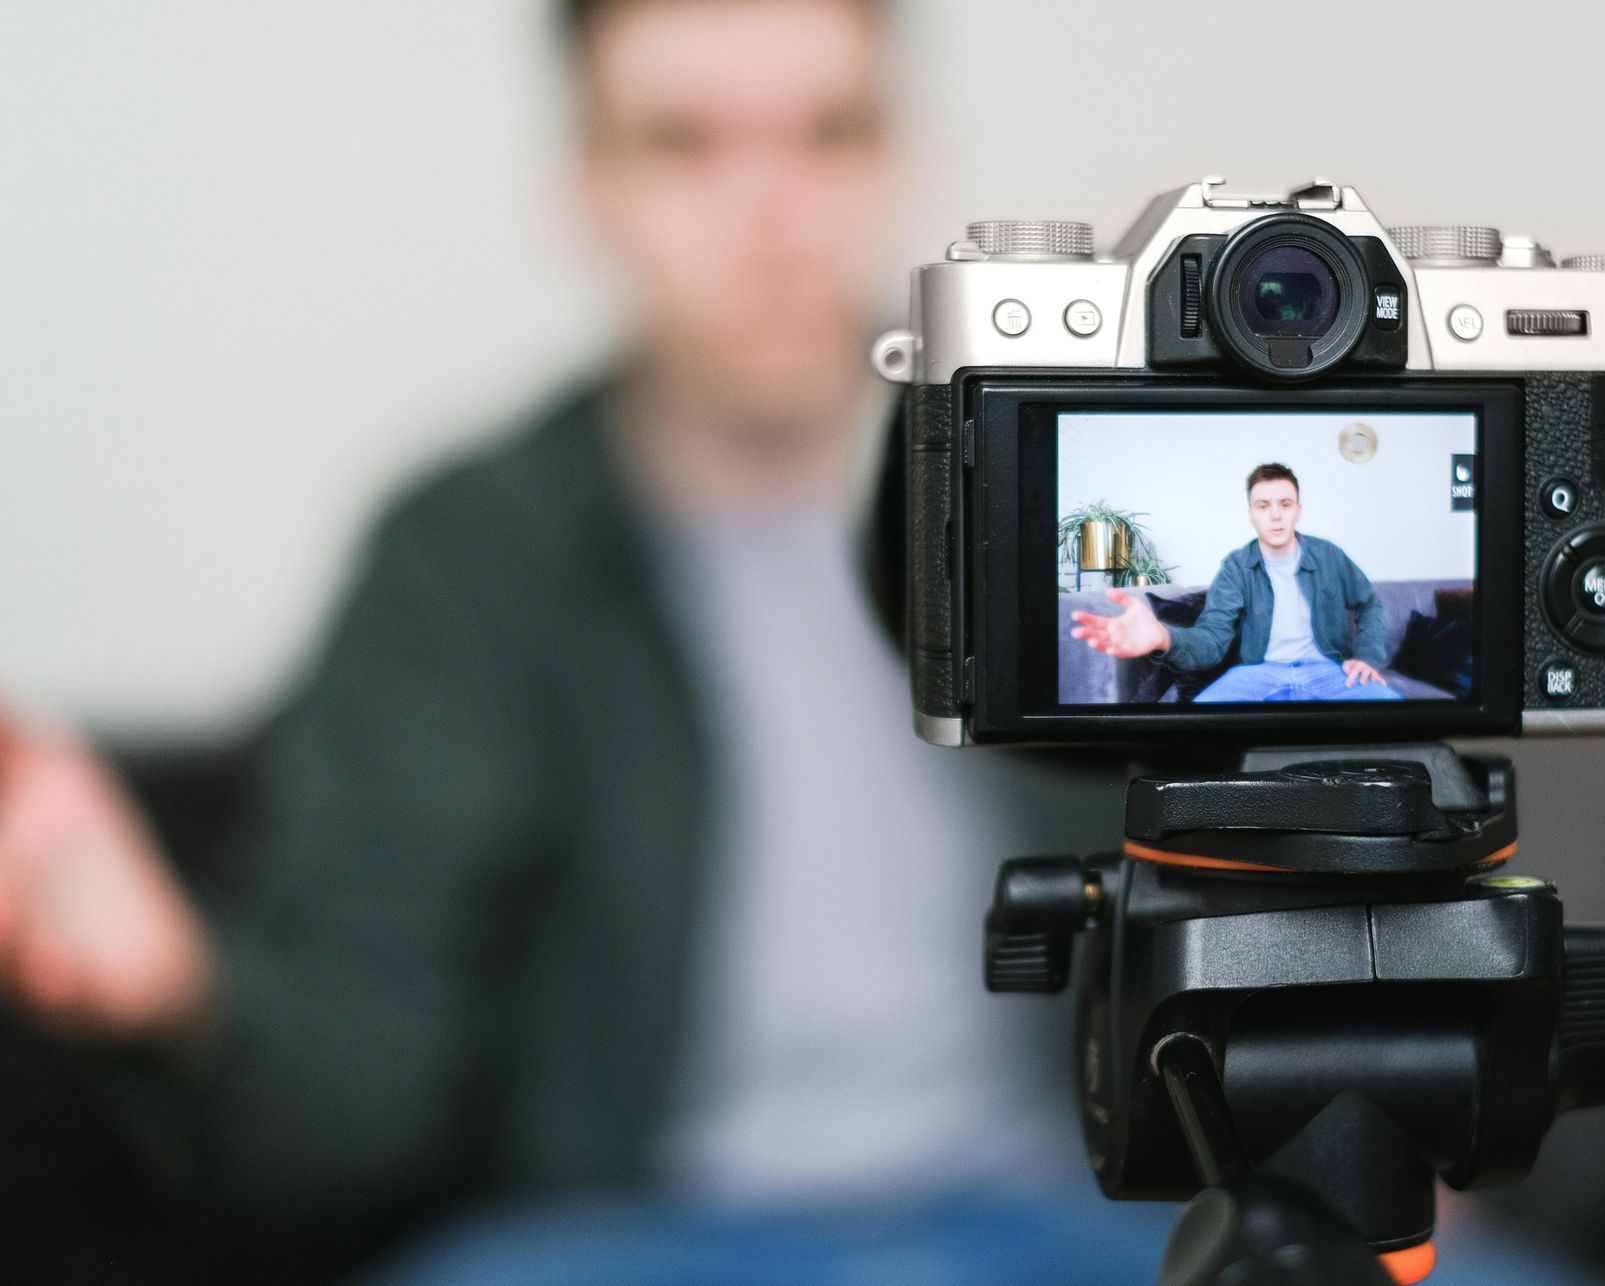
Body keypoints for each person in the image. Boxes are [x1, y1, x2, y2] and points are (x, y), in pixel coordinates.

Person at [0, 0, 1128, 1279]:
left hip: (1058, 1219)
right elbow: (357, 1092)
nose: (770, 212)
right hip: (628, 1243)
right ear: (586, 183)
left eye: (827, 132)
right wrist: (176, 981)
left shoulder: (1070, 498)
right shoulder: (467, 560)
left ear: (899, 154)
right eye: (685, 143)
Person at [1070, 463, 1402, 703]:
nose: (1275, 515)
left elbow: (1369, 603)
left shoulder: (1329, 555)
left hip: (1327, 670)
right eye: (1263, 506)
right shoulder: (1235, 566)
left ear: (1298, 510)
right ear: (1251, 514)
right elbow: (1211, 640)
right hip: (1257, 673)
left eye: (1285, 504)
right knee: (1197, 723)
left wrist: (1367, 657)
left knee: (1391, 712)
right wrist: (1163, 636)